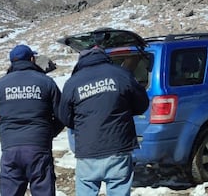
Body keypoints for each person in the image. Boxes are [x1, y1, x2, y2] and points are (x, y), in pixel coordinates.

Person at [57, 46, 149, 196]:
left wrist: (83, 125)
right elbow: (142, 104)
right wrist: (124, 111)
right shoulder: (121, 75)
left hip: (88, 149)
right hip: (118, 147)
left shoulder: (73, 82)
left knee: (86, 189)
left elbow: (65, 116)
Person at [0, 44, 64, 196]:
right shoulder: (46, 81)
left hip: (10, 148)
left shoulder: (1, 84)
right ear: (32, 59)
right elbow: (62, 114)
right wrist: (49, 132)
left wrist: (4, 120)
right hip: (39, 146)